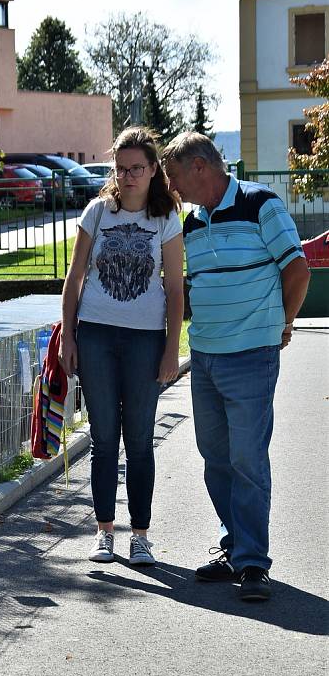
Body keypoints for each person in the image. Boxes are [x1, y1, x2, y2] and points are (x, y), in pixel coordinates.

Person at [162, 132, 310, 601]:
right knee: (215, 456)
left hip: (251, 354)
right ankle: (236, 544)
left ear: (201, 167)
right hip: (205, 356)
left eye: (175, 176)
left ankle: (252, 562)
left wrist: (283, 324)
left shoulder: (261, 203)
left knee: (247, 459)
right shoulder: (192, 223)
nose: (172, 187)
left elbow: (297, 269)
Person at [58, 126, 184, 566]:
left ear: (152, 170)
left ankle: (141, 536)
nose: (128, 175)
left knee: (140, 440)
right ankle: (105, 532)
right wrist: (68, 336)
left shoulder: (165, 218)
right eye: (121, 168)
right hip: (95, 335)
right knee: (103, 438)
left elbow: (174, 288)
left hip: (145, 340)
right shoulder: (97, 212)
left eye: (137, 168)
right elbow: (74, 280)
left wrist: (171, 348)